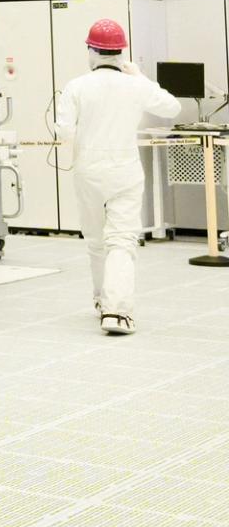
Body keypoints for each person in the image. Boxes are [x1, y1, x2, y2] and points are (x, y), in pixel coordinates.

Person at [53, 19, 179, 337]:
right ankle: (117, 311)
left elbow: (63, 131)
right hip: (125, 171)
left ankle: (100, 301)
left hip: (88, 170)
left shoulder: (76, 86)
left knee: (96, 241)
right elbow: (172, 108)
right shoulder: (135, 85)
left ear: (91, 51)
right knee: (122, 241)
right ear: (121, 52)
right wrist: (141, 77)